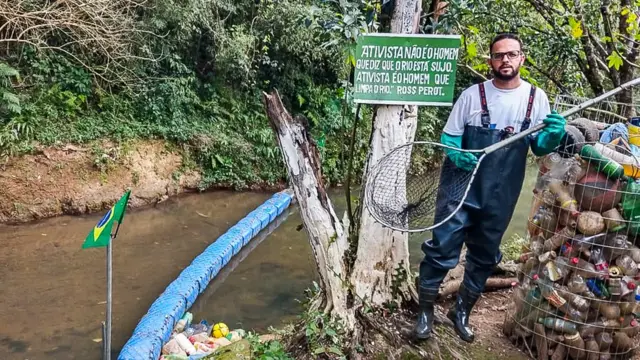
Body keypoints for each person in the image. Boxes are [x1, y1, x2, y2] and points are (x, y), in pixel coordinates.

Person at [413, 33, 567, 343]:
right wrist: (458, 153)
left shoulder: (537, 99)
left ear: (522, 58)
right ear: (491, 61)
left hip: (502, 192)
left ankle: (462, 313)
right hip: (460, 187)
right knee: (442, 249)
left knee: (484, 255)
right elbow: (450, 137)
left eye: (511, 54)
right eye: (499, 56)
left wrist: (552, 136)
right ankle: (425, 313)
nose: (505, 60)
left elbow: (538, 148)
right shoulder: (472, 95)